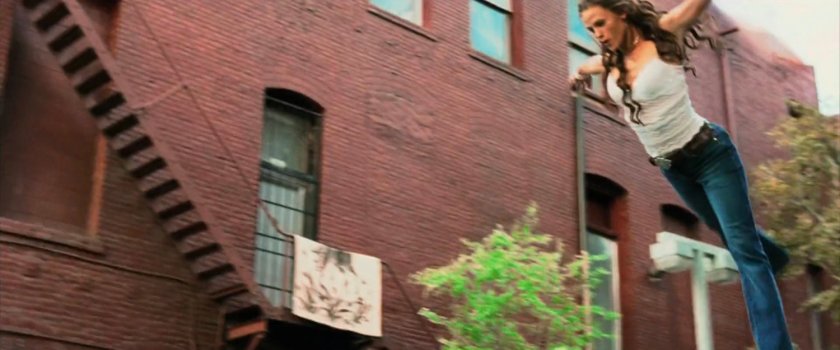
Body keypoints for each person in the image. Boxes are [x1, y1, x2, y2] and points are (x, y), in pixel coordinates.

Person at [567, 0, 793, 349]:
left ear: (622, 13)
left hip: (711, 154)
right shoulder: (610, 61)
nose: (598, 34)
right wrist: (579, 74)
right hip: (675, 169)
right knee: (728, 232)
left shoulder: (664, 34)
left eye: (601, 23)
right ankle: (775, 256)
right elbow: (589, 63)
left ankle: (773, 344)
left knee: (744, 252)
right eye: (590, 30)